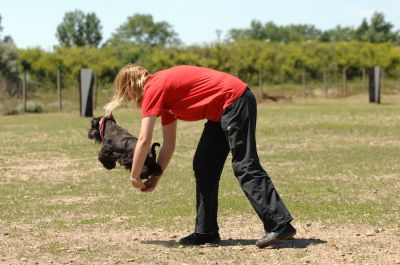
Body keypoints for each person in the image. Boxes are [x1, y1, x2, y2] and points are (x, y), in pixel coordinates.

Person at [104, 64, 296, 248]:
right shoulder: (164, 98)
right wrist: (155, 178)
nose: (129, 99)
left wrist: (135, 176)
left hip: (235, 101)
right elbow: (168, 146)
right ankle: (206, 232)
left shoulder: (153, 88)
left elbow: (144, 140)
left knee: (245, 165)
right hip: (220, 111)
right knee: (204, 165)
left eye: (125, 94)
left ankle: (280, 224)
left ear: (130, 85)